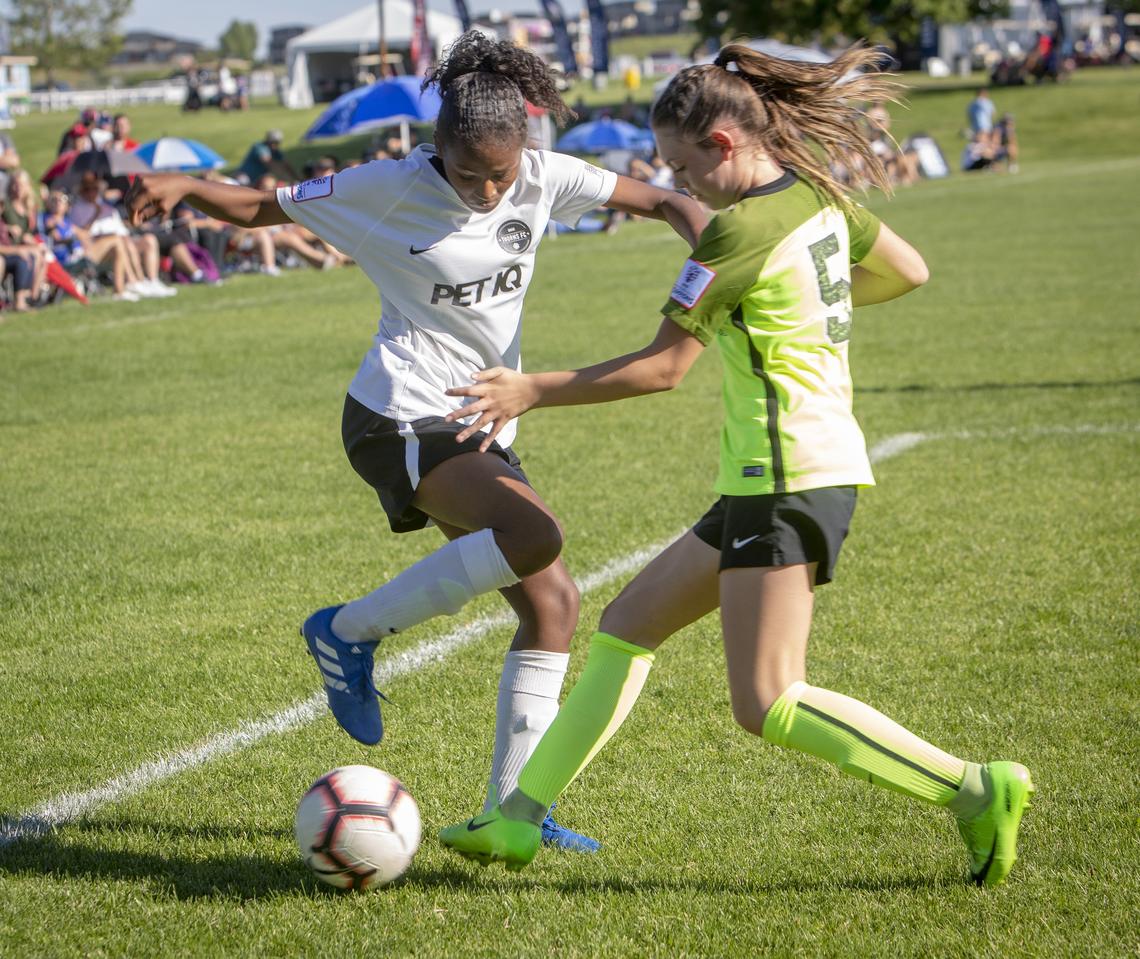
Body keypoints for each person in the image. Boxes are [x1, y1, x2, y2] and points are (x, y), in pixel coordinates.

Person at [439, 42, 1034, 888]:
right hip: (778, 470)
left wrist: (531, 388)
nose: (677, 186)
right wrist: (806, 308)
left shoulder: (735, 232)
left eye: (682, 168)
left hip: (785, 474)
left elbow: (664, 368)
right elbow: (909, 270)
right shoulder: (819, 194)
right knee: (625, 628)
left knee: (769, 701)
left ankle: (976, 788)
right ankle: (517, 819)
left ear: (722, 144)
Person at [123, 31, 707, 852]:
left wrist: (715, 242)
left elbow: (663, 201)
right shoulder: (389, 188)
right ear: (436, 150)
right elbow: (269, 205)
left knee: (554, 604)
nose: (484, 188)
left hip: (478, 420)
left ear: (525, 151)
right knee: (535, 535)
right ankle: (347, 630)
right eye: (467, 173)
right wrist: (185, 184)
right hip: (397, 414)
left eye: (498, 173)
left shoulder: (543, 177)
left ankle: (514, 815)